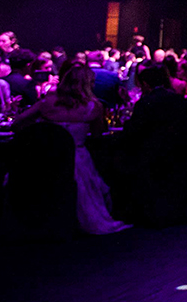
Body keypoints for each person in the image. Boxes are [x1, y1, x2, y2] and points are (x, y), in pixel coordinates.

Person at [12, 63, 129, 234]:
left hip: (46, 159)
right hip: (77, 158)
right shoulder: (93, 106)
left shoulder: (46, 103)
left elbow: (16, 124)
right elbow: (98, 135)